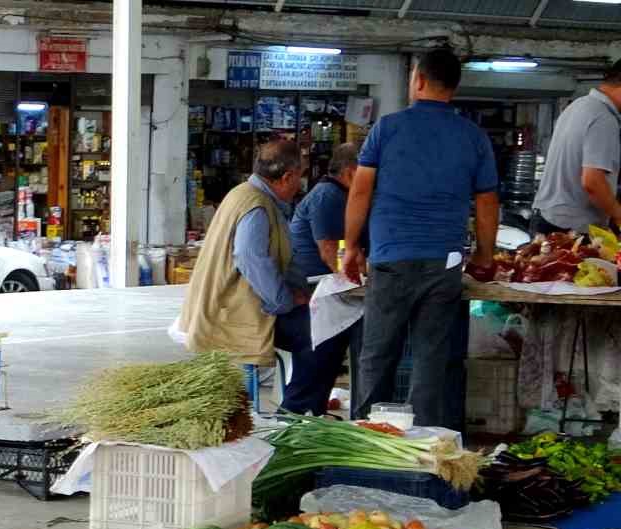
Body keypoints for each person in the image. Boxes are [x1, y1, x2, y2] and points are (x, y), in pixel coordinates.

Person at [343, 48, 499, 432]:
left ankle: (365, 437)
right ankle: (425, 445)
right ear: (454, 87)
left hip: (391, 259)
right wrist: (484, 254)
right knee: (431, 357)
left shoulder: (387, 128)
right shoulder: (473, 137)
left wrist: (350, 247)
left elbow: (360, 192)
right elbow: (487, 203)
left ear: (418, 80)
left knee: (377, 354)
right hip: (443, 264)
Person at [176, 139, 310, 381]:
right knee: (321, 334)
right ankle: (299, 407)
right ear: (287, 176)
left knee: (318, 326)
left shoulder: (242, 194)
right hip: (232, 314)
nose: (299, 185)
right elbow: (250, 257)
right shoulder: (256, 204)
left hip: (223, 307)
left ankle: (299, 402)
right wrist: (284, 300)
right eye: (300, 176)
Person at [279, 142, 363, 414]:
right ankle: (297, 413)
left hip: (325, 290)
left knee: (342, 334)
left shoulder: (341, 196)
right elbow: (331, 252)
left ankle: (312, 411)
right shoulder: (329, 195)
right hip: (311, 291)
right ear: (351, 172)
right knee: (322, 343)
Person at [530, 59, 621, 237]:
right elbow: (592, 182)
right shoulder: (604, 118)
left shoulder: (578, 106)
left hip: (548, 219)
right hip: (571, 229)